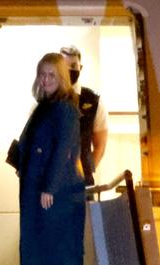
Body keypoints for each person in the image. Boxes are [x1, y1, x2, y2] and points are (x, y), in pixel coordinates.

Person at [16, 52, 86, 265]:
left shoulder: (65, 107)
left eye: (51, 75)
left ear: (61, 78)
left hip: (59, 193)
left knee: (61, 251)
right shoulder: (46, 106)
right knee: (50, 250)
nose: (45, 80)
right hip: (45, 189)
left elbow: (63, 149)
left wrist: (50, 187)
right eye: (42, 74)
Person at [60, 45, 109, 186]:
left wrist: (86, 172)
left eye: (74, 65)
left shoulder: (94, 102)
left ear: (80, 67)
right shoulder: (45, 99)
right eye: (64, 65)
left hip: (82, 184)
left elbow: (100, 146)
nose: (69, 70)